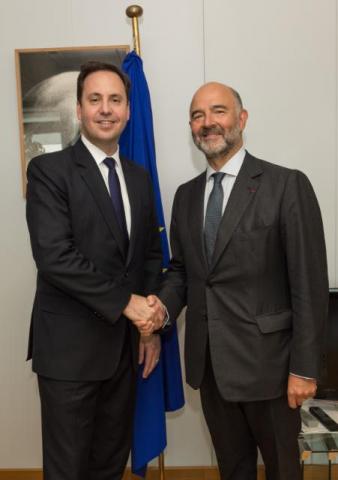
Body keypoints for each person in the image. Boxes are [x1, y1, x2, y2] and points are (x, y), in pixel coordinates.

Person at [153, 82, 328, 479]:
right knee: (233, 471)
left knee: (284, 471)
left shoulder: (286, 185)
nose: (207, 123)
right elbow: (183, 272)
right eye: (197, 115)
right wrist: (160, 309)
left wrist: (305, 368)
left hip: (272, 370)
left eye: (218, 111)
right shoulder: (185, 196)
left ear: (241, 119)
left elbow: (309, 283)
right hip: (211, 368)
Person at [26, 61, 165, 480]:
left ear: (127, 110)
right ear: (80, 108)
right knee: (69, 470)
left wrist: (149, 328)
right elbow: (55, 257)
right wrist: (129, 305)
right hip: (68, 356)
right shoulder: (49, 171)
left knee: (108, 465)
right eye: (95, 99)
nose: (106, 109)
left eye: (116, 100)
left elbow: (149, 258)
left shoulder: (139, 179)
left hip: (123, 353)